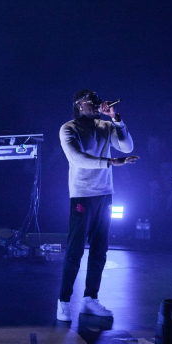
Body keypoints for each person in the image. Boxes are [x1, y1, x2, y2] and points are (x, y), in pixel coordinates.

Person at [56, 90, 137, 321]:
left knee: (100, 250)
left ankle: (90, 299)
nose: (94, 104)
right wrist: (110, 162)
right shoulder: (69, 128)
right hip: (82, 195)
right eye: (88, 102)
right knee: (75, 251)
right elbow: (77, 158)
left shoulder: (105, 125)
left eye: (95, 100)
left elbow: (127, 147)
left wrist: (117, 121)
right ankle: (63, 301)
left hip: (105, 195)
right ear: (78, 106)